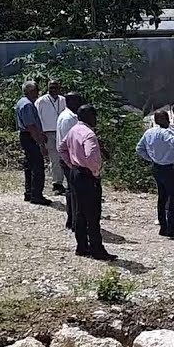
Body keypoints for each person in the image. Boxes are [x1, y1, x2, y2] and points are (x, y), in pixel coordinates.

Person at [59, 106, 114, 260]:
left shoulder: (73, 130)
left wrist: (71, 165)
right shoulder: (89, 134)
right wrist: (95, 173)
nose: (95, 119)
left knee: (79, 211)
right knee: (93, 214)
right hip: (87, 175)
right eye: (94, 116)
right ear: (89, 117)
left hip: (76, 173)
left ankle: (82, 246)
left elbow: (61, 148)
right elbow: (92, 157)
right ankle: (97, 249)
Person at [136, 110, 174, 240]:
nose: (169, 121)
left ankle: (163, 226)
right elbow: (173, 140)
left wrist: (150, 158)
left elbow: (139, 148)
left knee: (162, 196)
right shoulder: (165, 132)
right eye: (166, 119)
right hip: (167, 168)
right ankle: (171, 228)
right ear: (161, 120)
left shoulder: (148, 132)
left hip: (156, 167)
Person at [15, 81, 50, 205]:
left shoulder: (22, 102)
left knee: (29, 165)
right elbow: (31, 126)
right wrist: (40, 142)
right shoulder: (28, 105)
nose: (38, 92)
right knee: (37, 165)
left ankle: (29, 192)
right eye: (36, 90)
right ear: (31, 91)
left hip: (25, 136)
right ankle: (36, 195)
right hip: (29, 136)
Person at [35, 79, 67, 195]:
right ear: (47, 88)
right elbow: (37, 118)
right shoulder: (41, 101)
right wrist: (40, 135)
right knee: (54, 158)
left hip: (62, 132)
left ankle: (65, 182)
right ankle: (57, 183)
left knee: (64, 157)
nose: (53, 90)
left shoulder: (63, 100)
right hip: (48, 132)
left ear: (59, 88)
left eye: (55, 87)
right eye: (51, 87)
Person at [56, 93, 81, 231]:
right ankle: (73, 220)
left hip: (69, 158)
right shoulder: (68, 118)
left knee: (72, 189)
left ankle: (72, 220)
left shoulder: (69, 116)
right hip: (69, 159)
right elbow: (68, 141)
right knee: (74, 190)